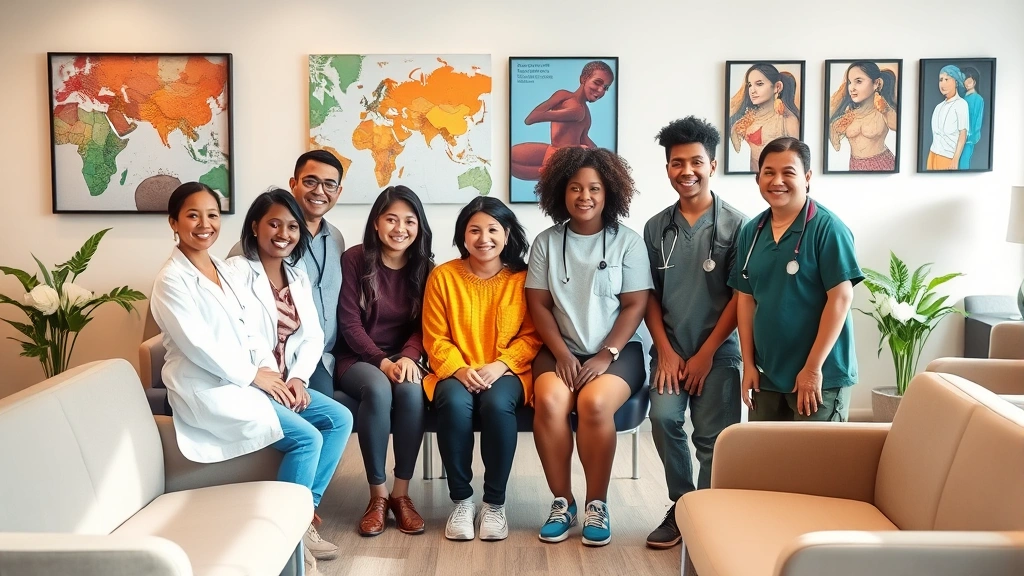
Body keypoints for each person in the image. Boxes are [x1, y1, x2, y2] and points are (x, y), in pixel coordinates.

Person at [151, 183, 351, 576]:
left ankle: (301, 520)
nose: (205, 224)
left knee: (339, 418)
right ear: (174, 222)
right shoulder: (172, 280)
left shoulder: (223, 271)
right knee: (307, 438)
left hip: (254, 380)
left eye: (211, 215)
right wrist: (256, 377)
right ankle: (290, 536)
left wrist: (279, 376)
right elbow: (199, 346)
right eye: (193, 215)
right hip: (211, 386)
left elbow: (250, 333)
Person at [526, 147, 652, 547]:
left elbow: (636, 304)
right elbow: (538, 304)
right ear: (560, 192)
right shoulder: (546, 242)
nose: (585, 196)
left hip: (618, 351)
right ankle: (563, 502)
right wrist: (562, 354)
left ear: (609, 192)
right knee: (549, 402)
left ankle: (597, 503)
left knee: (595, 404)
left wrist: (605, 354)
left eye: (594, 188)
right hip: (559, 347)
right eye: (576, 188)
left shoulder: (627, 243)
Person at [643, 117, 746, 549]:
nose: (686, 171)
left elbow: (741, 298)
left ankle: (710, 511)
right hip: (670, 348)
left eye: (696, 162)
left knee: (712, 438)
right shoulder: (654, 228)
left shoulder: (739, 226)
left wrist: (706, 354)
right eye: (676, 163)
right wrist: (664, 351)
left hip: (718, 352)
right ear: (667, 168)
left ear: (713, 164)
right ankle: (683, 506)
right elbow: (647, 296)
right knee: (664, 419)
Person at [421, 197, 542, 542]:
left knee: (496, 404)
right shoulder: (443, 276)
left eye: (492, 229)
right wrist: (459, 370)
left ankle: (494, 504)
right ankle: (461, 500)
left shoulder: (523, 278)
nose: (483, 237)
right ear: (463, 235)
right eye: (474, 230)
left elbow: (533, 336)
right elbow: (435, 337)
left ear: (506, 234)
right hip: (455, 370)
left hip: (507, 372)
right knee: (454, 404)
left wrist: (501, 365)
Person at [728, 138, 863, 422]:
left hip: (819, 376)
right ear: (758, 178)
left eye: (788, 172)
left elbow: (841, 298)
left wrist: (813, 369)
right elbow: (746, 299)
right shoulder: (751, 232)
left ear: (807, 178)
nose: (777, 181)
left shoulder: (828, 229)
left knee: (814, 463)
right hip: (767, 376)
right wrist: (748, 364)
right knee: (769, 462)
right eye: (769, 172)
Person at [335, 186, 433, 537]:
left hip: (403, 357)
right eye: (391, 219)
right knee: (378, 388)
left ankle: (401, 496)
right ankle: (377, 497)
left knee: (410, 391)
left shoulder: (425, 267)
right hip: (357, 356)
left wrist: (408, 357)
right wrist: (381, 361)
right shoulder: (355, 259)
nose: (400, 228)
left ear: (419, 226)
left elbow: (426, 326)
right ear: (376, 223)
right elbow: (348, 323)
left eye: (409, 220)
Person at [229, 150, 346, 397]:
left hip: (321, 356)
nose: (319, 191)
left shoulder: (336, 239)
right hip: (273, 361)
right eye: (311, 181)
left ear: (338, 192)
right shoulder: (248, 255)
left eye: (329, 184)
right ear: (293, 184)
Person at [510, 61, 615, 181]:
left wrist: (597, 153)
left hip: (568, 160)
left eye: (605, 88)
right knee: (509, 157)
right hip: (555, 152)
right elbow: (531, 118)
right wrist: (569, 114)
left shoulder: (586, 115)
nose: (601, 90)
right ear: (583, 78)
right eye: (597, 83)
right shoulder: (564, 96)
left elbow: (583, 138)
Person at [728, 63, 801, 172]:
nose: (752, 90)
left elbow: (795, 164)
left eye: (759, 84)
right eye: (750, 85)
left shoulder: (787, 121)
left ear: (777, 87)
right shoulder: (742, 121)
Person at [827, 62, 899, 171]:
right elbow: (834, 144)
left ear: (877, 83)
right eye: (850, 83)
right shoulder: (849, 113)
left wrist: (886, 110)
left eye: (858, 81)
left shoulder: (884, 110)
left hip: (883, 166)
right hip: (855, 166)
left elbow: (899, 128)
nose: (851, 88)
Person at [927, 65, 969, 171]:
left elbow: (962, 135)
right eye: (941, 80)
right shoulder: (938, 107)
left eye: (947, 79)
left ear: (956, 82)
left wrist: (955, 160)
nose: (943, 84)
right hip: (932, 155)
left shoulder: (961, 104)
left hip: (947, 157)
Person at [959, 66, 985, 170]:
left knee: (963, 163)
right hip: (959, 137)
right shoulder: (964, 98)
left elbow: (977, 121)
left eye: (968, 80)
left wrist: (970, 137)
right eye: (964, 80)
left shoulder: (978, 99)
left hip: (968, 139)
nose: (966, 83)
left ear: (974, 81)